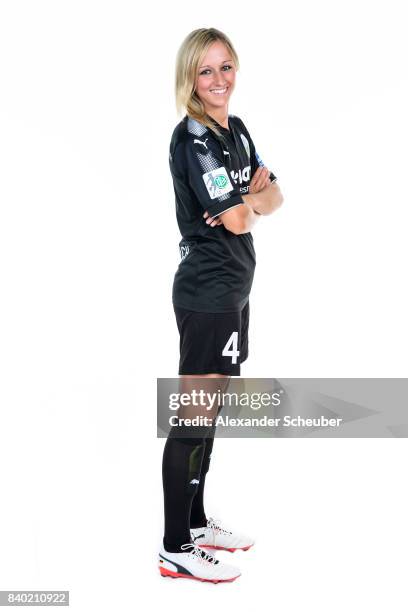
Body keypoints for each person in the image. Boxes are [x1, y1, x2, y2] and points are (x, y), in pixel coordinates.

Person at [159, 27, 284, 583]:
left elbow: (274, 196)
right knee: (194, 415)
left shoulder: (236, 131)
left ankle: (197, 521)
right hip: (207, 295)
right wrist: (247, 203)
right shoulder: (194, 141)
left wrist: (249, 200)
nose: (217, 80)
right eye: (206, 70)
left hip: (235, 292)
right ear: (190, 77)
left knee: (212, 415)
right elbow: (236, 219)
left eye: (225, 67)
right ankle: (174, 545)